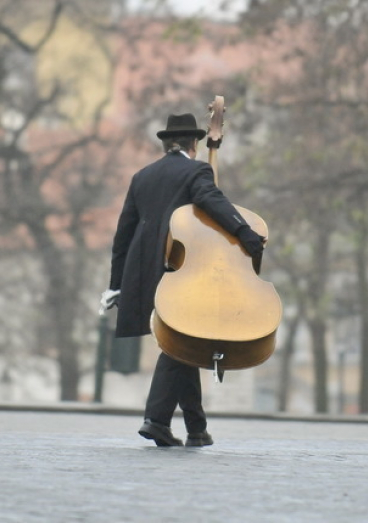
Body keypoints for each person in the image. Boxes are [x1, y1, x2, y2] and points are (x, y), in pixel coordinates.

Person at [101, 112, 265, 447]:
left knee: (183, 341)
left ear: (166, 144)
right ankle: (156, 420)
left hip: (141, 272)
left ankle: (196, 429)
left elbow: (123, 235)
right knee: (178, 344)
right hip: (178, 270)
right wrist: (243, 231)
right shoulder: (197, 171)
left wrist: (116, 284)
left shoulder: (141, 177)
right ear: (194, 144)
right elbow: (211, 200)